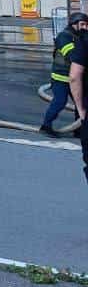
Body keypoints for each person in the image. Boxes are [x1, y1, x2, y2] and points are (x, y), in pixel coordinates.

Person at [64, 14, 88, 181]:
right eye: (82, 24)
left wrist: (81, 110)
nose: (84, 27)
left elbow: (75, 75)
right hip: (59, 78)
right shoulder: (65, 37)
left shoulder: (83, 41)